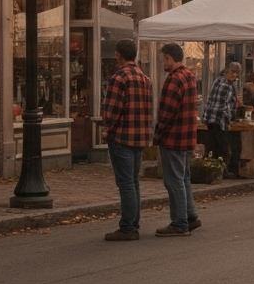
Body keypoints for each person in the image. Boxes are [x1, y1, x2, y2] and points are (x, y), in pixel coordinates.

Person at [101, 39, 152, 241]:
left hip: (121, 136)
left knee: (125, 182)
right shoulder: (145, 78)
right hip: (139, 136)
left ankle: (128, 226)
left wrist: (107, 126)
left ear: (118, 55)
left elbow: (111, 112)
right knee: (133, 181)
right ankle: (133, 221)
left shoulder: (119, 78)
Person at [154, 43, 199, 236]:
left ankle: (179, 222)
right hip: (187, 135)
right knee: (184, 178)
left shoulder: (174, 80)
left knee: (174, 181)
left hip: (173, 137)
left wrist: (158, 134)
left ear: (170, 58)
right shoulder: (189, 75)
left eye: (165, 58)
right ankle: (190, 215)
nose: (163, 62)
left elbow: (166, 113)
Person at [202, 62, 242, 178]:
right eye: (232, 72)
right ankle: (223, 171)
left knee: (213, 146)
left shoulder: (217, 80)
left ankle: (212, 170)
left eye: (236, 73)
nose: (234, 75)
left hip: (210, 118)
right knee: (223, 147)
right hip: (219, 119)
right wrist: (228, 118)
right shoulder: (227, 85)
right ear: (227, 71)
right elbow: (224, 105)